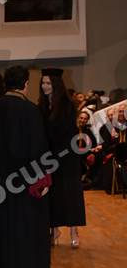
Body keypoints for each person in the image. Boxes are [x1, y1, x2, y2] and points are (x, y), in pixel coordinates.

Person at [0, 65, 51, 268]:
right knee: (25, 225)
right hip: (24, 180)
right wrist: (42, 180)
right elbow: (39, 149)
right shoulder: (31, 110)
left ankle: (3, 267)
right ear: (25, 84)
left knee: (1, 225)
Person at [38, 68, 85, 248]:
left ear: (56, 85)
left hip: (67, 157)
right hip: (49, 157)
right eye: (43, 83)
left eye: (48, 83)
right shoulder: (41, 105)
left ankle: (74, 230)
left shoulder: (67, 105)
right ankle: (54, 229)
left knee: (70, 193)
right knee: (53, 194)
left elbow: (67, 133)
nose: (45, 86)